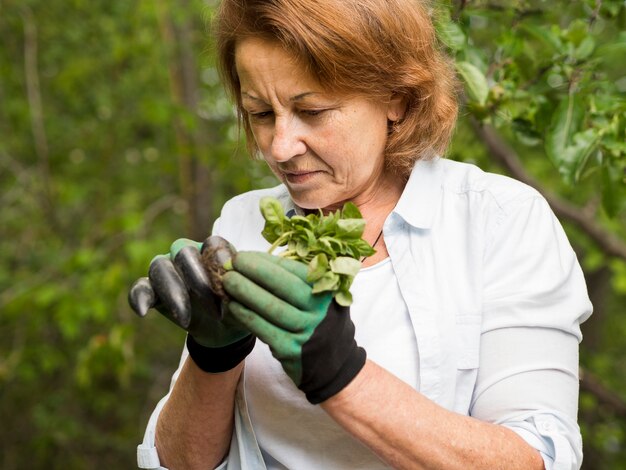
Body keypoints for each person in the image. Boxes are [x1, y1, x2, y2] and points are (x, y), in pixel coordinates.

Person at [129, 0, 593, 468]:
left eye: (312, 110)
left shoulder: (499, 220)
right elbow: (180, 461)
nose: (280, 147)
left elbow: (538, 457)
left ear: (396, 97)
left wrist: (340, 374)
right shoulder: (244, 224)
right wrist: (212, 356)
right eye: (261, 113)